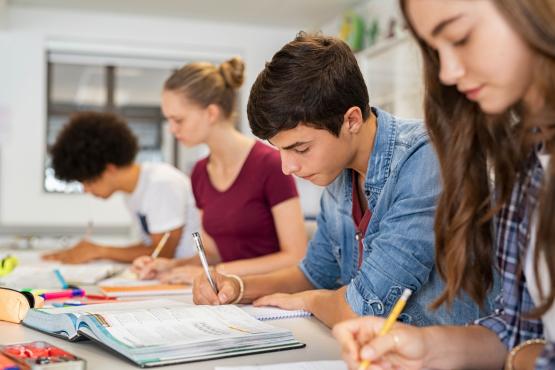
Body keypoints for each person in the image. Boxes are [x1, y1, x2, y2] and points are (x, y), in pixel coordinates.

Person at [192, 33, 497, 328]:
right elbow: (314, 274)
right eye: (280, 150)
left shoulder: (426, 158)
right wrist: (238, 286)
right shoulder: (339, 174)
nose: (287, 167)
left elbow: (364, 308)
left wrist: (311, 302)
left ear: (351, 120)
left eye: (300, 148)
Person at [333, 1, 555, 369]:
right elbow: (516, 328)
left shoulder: (418, 157)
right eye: (435, 50)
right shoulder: (526, 160)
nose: (448, 72)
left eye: (460, 37)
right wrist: (428, 346)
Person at [132, 57, 307, 283]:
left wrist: (219, 272)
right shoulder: (199, 173)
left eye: (178, 120)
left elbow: (295, 256)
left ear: (211, 113)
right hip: (228, 296)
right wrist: (171, 266)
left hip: (272, 295)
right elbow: (213, 254)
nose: (172, 129)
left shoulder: (271, 164)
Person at [43, 111, 200, 264]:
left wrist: (99, 251)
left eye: (88, 182)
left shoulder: (161, 183)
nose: (86, 190)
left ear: (109, 169)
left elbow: (162, 253)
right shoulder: (132, 193)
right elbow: (148, 248)